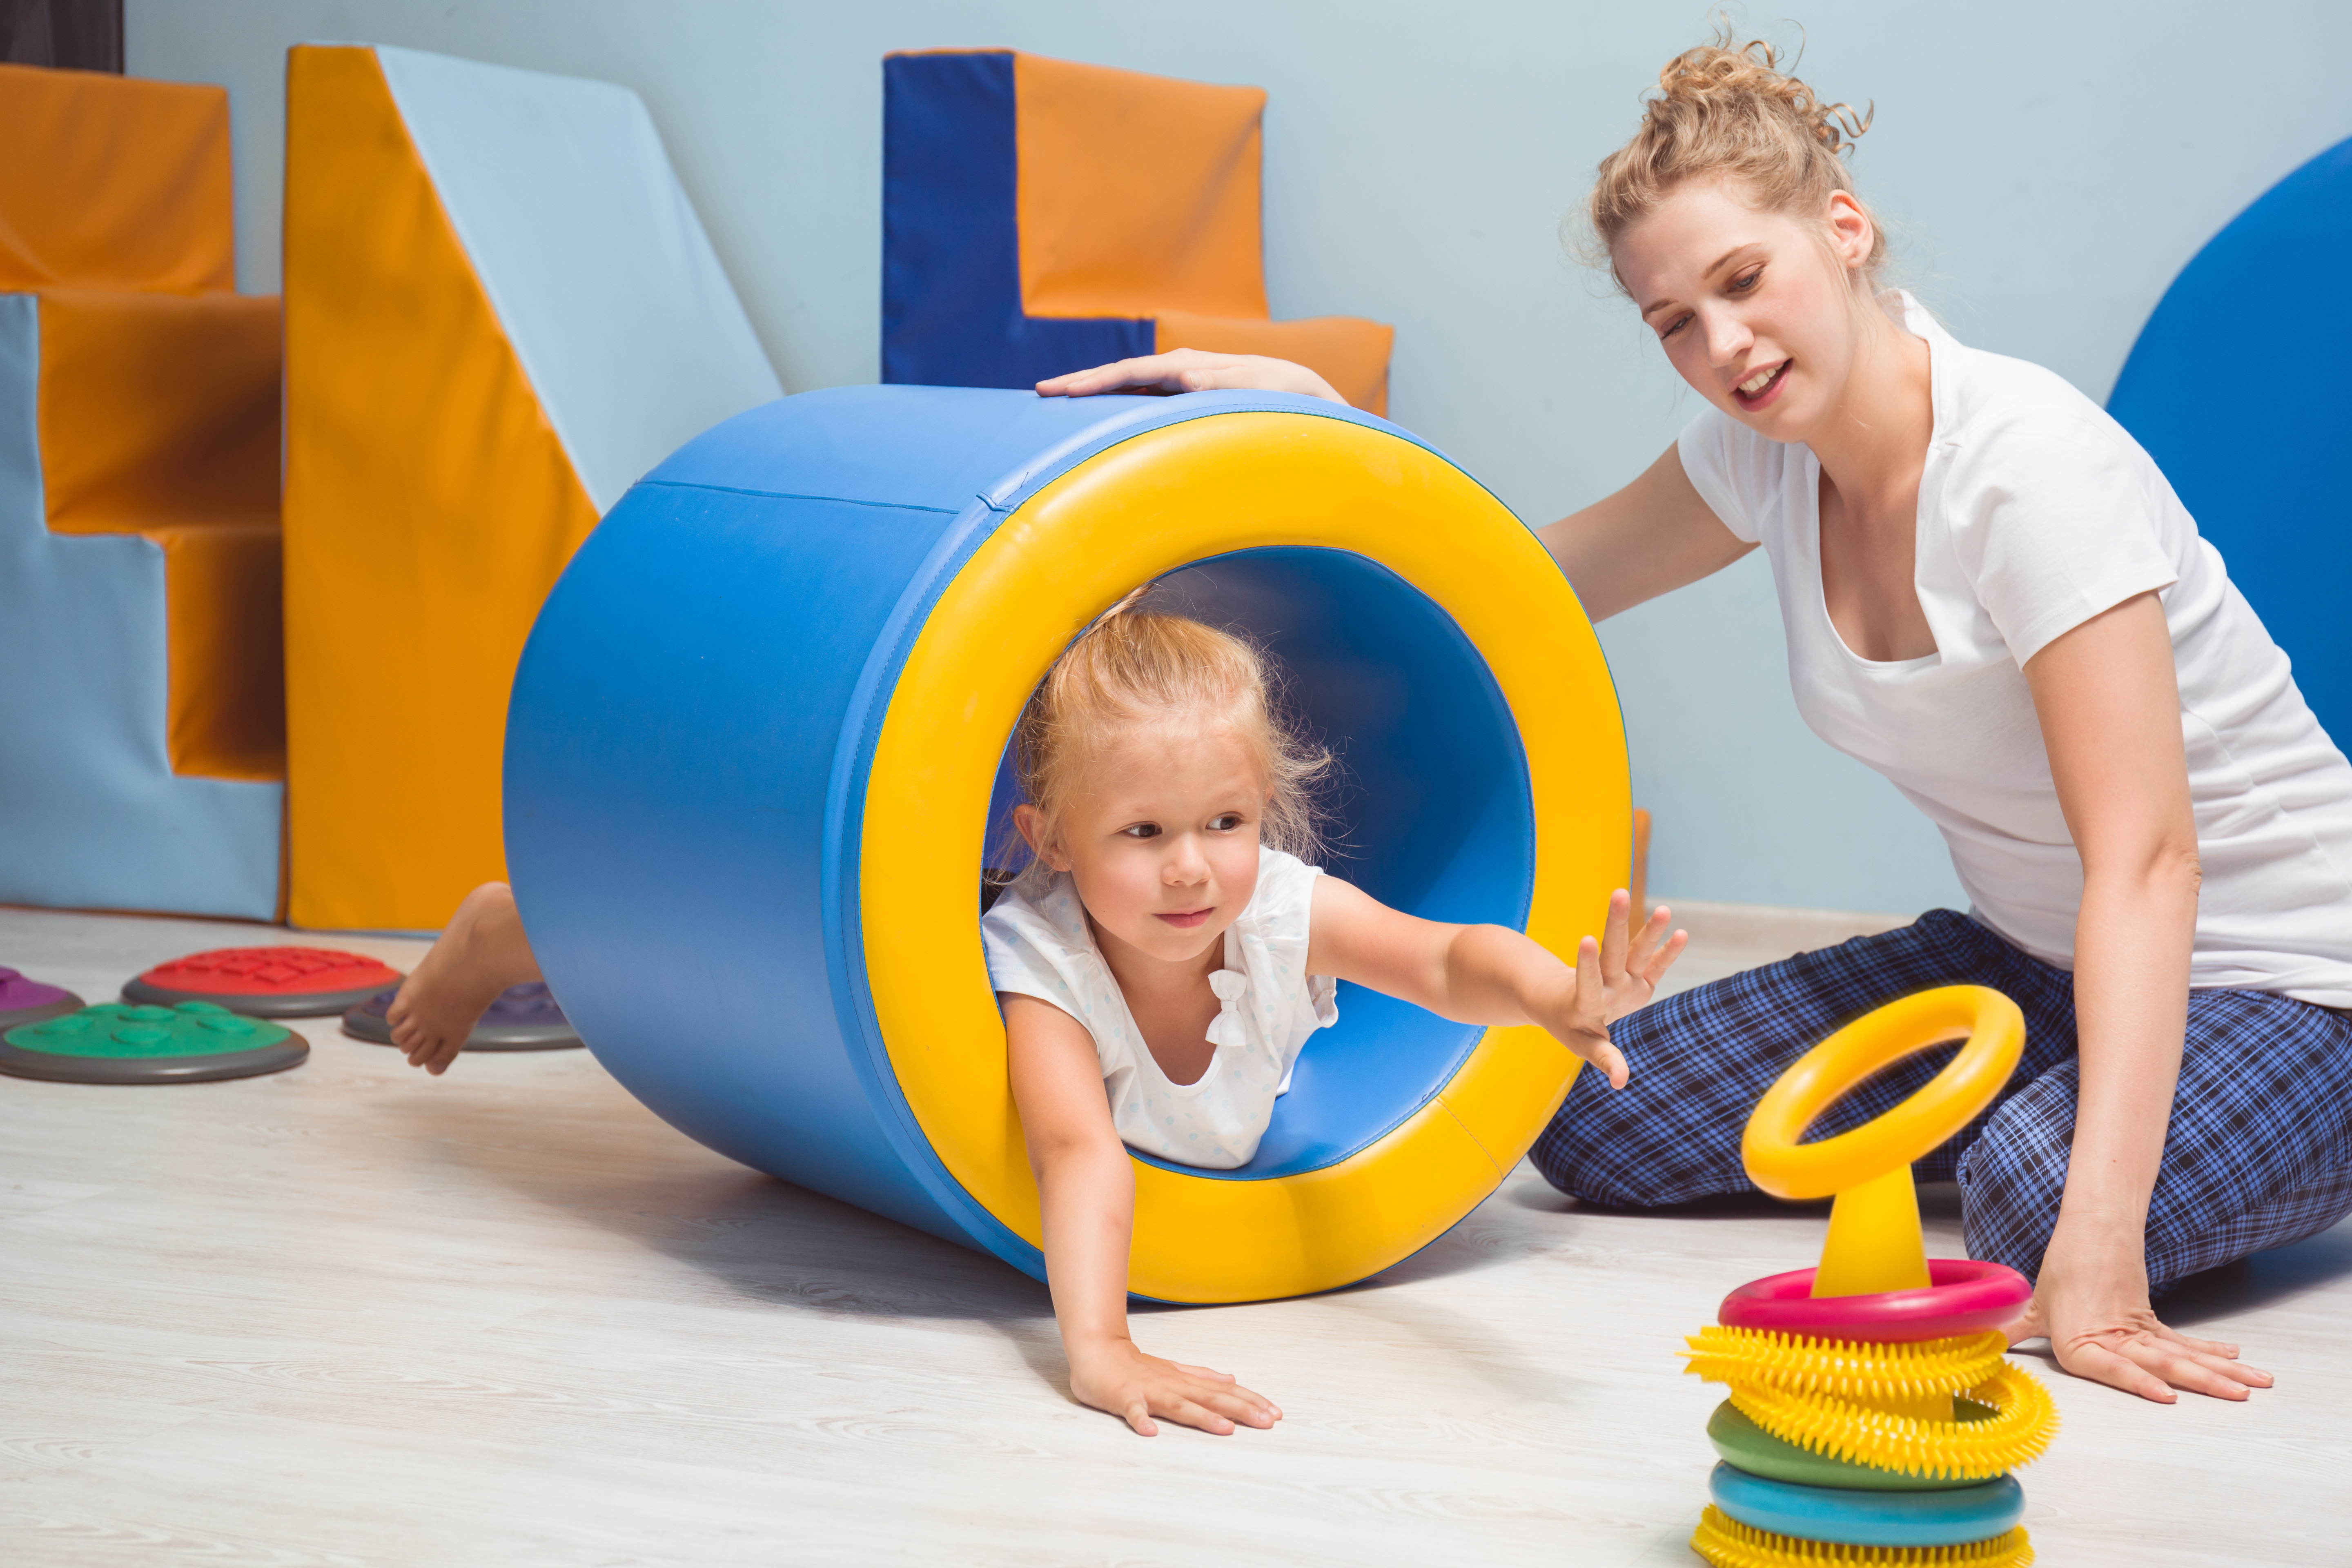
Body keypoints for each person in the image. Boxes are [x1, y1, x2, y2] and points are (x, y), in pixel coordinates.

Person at [1037, 36, 2352, 1408]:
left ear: (1843, 232)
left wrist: (2103, 1243)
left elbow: (2148, 864)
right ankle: (2079, 1110)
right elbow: (1515, 587)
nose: (1722, 347)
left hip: (2292, 978)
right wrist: (1326, 431)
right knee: (1594, 1106)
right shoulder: (1759, 453)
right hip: (2042, 966)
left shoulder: (2028, 470)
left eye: (1743, 281)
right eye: (1674, 320)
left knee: (2037, 1211)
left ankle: (2166, 1135)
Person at [390, 590, 1687, 1437]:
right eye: (1144, 833)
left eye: (1224, 824)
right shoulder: (1040, 969)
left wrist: (1557, 997)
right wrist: (1101, 1346)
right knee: (739, 925)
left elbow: (1448, 960)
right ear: (1054, 838)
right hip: (913, 948)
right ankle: (518, 925)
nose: (1192, 868)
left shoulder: (1280, 908)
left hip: (1033, 894)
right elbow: (1078, 1149)